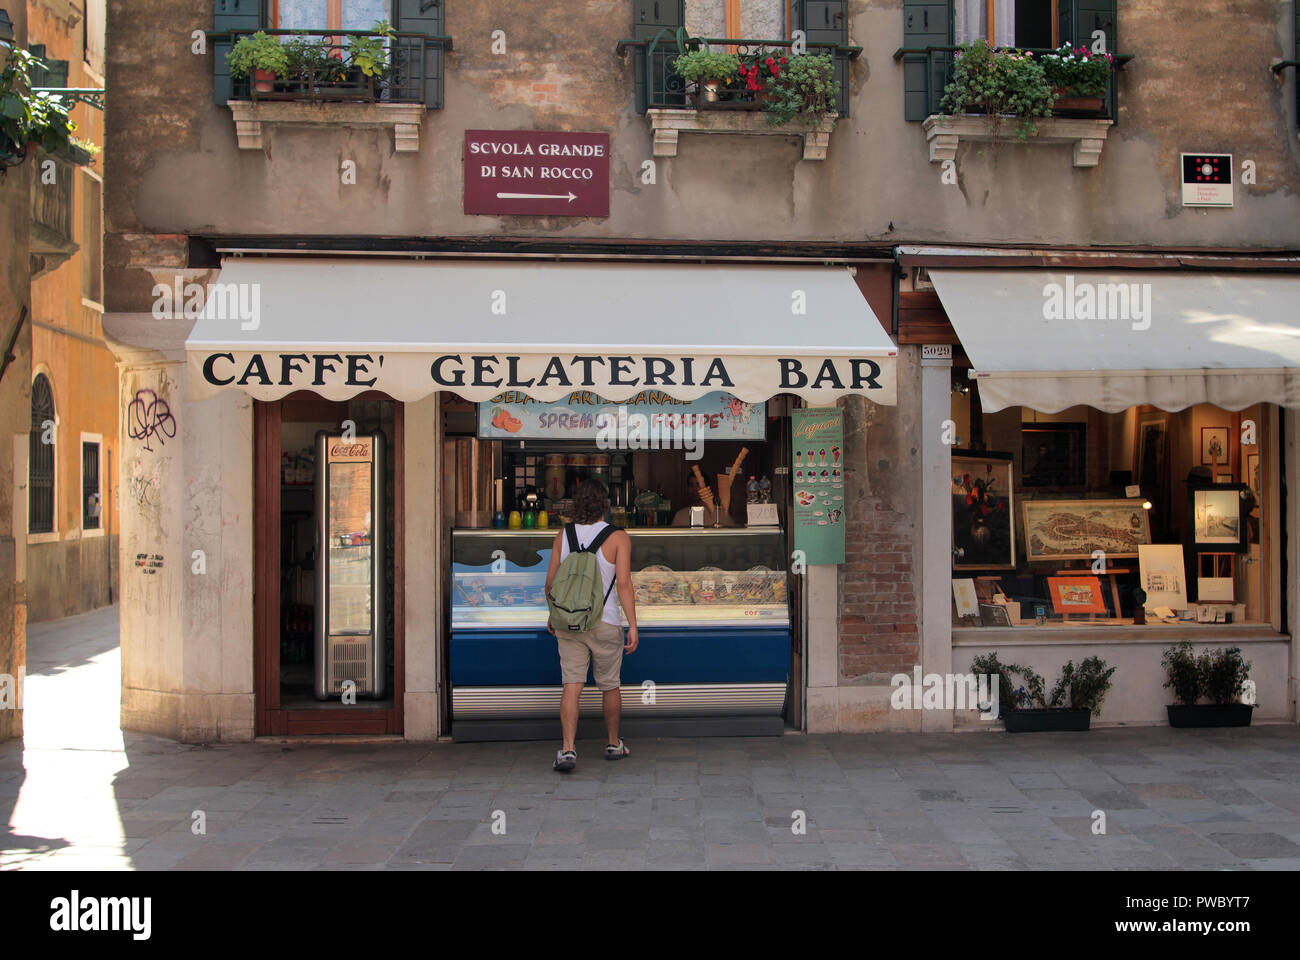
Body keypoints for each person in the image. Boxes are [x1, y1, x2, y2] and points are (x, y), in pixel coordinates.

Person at [544, 479, 638, 772]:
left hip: (569, 622)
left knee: (572, 684)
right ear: (605, 505)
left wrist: (553, 615)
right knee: (610, 684)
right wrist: (633, 625)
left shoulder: (564, 534)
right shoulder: (618, 537)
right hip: (606, 621)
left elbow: (550, 584)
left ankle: (568, 749)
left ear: (575, 505)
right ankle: (613, 743)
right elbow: (623, 584)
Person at [671, 468, 736, 527]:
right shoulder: (680, 515)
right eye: (691, 485)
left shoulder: (720, 514)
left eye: (698, 484)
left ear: (707, 488)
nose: (694, 489)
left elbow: (732, 536)